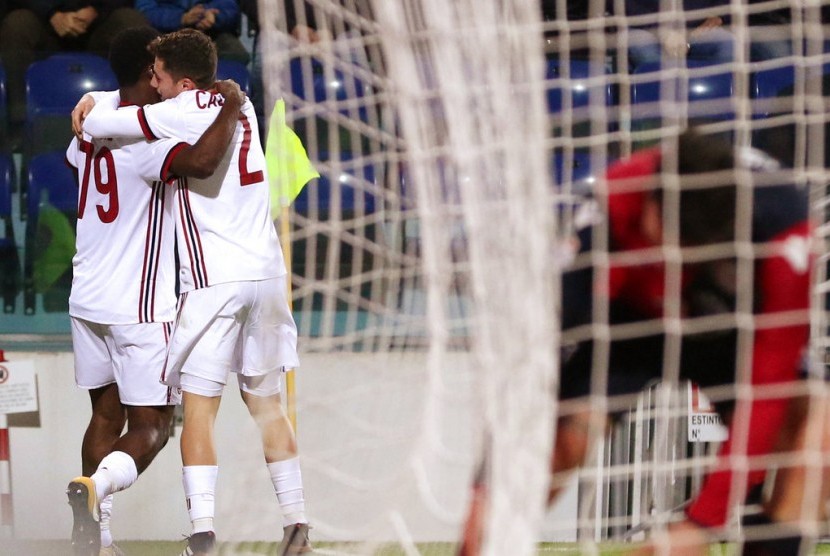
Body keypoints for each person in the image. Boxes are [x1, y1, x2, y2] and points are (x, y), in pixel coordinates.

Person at [459, 129, 830, 555]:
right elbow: (533, 366)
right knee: (563, 441)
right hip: (627, 322)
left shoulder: (784, 227)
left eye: (693, 248)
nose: (677, 255)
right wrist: (485, 484)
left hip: (725, 328)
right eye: (668, 239)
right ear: (651, 204)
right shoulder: (604, 210)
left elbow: (769, 385)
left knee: (816, 431)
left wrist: (701, 523)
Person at [79, 28, 311, 556]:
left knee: (200, 411)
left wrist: (91, 101)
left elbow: (102, 123)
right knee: (268, 406)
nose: (153, 84)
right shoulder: (244, 105)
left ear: (181, 80)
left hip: (216, 281)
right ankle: (297, 526)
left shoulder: (176, 111)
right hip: (268, 276)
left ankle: (203, 534)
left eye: (158, 74)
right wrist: (227, 98)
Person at [63, 25, 246, 556]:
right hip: (137, 304)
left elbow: (83, 149)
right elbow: (201, 162)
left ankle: (96, 539)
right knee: (153, 427)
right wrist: (230, 101)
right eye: (159, 69)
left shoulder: (88, 127)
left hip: (85, 298)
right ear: (150, 73)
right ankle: (96, 489)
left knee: (104, 415)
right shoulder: (148, 137)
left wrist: (95, 98)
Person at [0, 1, 147, 148]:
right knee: (17, 24)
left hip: (97, 26)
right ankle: (18, 125)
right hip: (45, 26)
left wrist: (95, 9)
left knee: (131, 21)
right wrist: (51, 13)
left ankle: (142, 121)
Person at [134, 0, 250, 64]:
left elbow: (231, 7)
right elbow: (145, 11)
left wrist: (213, 15)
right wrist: (181, 18)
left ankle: (222, 101)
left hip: (211, 32)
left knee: (236, 54)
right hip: (165, 33)